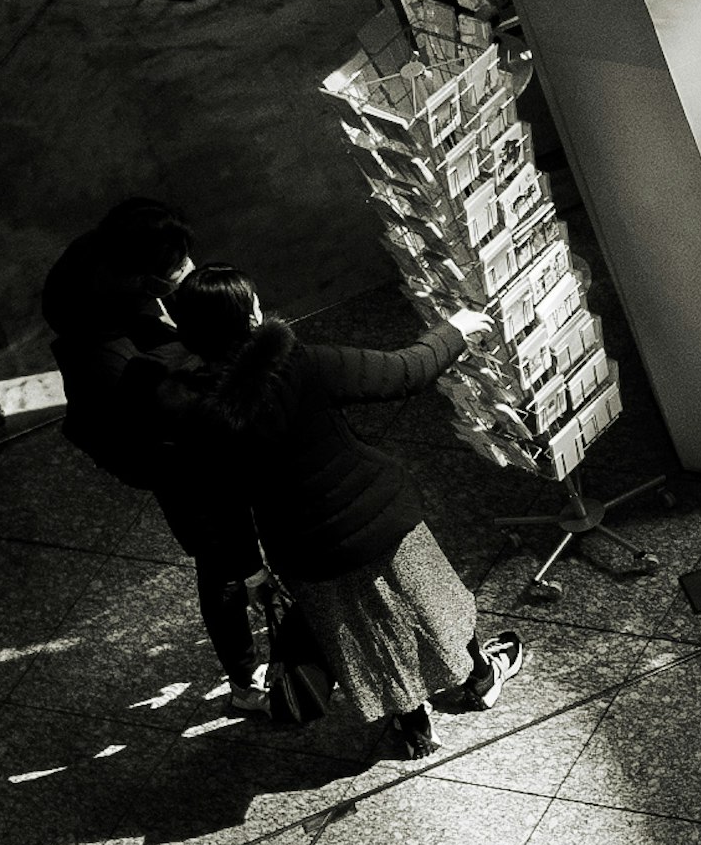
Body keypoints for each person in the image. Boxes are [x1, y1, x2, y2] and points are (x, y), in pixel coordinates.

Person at [159, 273, 518, 753]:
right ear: (252, 317)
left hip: (304, 547)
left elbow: (222, 504)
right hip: (380, 516)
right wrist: (454, 329)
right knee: (434, 600)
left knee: (365, 635)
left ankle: (414, 724)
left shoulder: (198, 415)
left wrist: (250, 570)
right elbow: (404, 372)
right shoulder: (302, 363)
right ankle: (479, 676)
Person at [40, 199, 270, 703]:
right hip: (172, 458)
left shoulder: (94, 265)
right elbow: (169, 417)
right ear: (141, 280)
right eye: (174, 269)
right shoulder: (115, 361)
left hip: (165, 434)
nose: (187, 271)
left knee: (231, 553)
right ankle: (244, 676)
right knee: (221, 560)